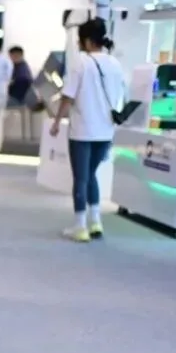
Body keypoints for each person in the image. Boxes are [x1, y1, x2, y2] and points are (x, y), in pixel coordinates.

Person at [49, 18, 124, 242]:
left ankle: (80, 226)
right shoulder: (115, 64)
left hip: (82, 130)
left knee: (81, 178)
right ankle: (96, 222)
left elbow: (68, 96)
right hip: (106, 130)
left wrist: (56, 122)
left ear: (87, 40)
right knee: (91, 174)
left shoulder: (80, 63)